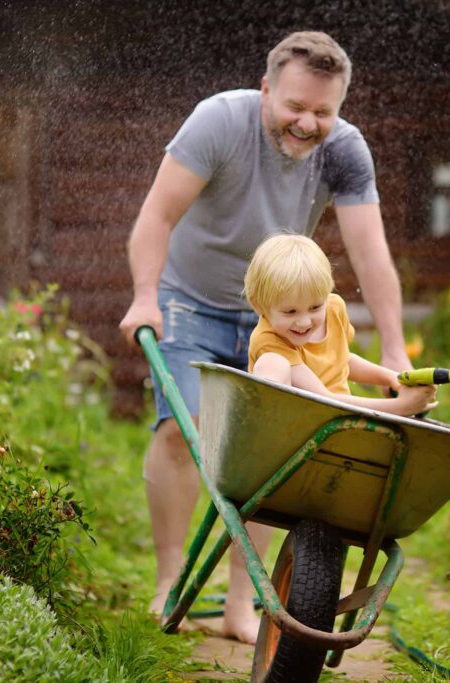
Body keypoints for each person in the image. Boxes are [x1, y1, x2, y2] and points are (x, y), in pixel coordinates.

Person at [117, 31, 413, 644]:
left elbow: (371, 253)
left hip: (278, 319)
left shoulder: (346, 152)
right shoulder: (218, 123)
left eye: (323, 112)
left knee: (270, 455)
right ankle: (169, 581)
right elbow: (156, 217)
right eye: (295, 106)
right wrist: (146, 295)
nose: (308, 123)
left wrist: (394, 350)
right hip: (188, 299)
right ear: (265, 90)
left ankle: (239, 605)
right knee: (180, 430)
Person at [245, 233, 437, 415]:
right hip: (301, 426)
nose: (304, 321)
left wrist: (391, 378)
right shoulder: (268, 340)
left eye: (315, 307)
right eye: (290, 312)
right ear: (259, 305)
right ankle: (267, 425)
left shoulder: (334, 308)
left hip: (338, 423)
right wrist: (400, 407)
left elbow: (342, 359)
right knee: (272, 364)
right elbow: (323, 399)